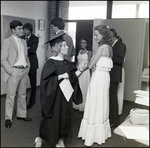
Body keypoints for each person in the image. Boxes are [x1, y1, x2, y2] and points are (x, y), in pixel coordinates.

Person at [34, 32, 87, 147]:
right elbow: (45, 82)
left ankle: (60, 139)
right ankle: (40, 137)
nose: (67, 47)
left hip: (65, 95)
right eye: (63, 45)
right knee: (51, 117)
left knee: (64, 117)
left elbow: (72, 78)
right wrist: (59, 76)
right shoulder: (50, 62)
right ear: (56, 47)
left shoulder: (67, 63)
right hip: (54, 96)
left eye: (66, 45)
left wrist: (81, 70)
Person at [78, 25, 113, 146]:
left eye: (97, 34)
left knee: (94, 100)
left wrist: (91, 64)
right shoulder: (109, 48)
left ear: (103, 35)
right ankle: (101, 130)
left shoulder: (101, 48)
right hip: (105, 78)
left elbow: (90, 65)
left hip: (98, 77)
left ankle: (92, 129)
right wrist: (93, 64)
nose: (95, 37)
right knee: (102, 101)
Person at [1, 20, 32, 128]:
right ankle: (8, 118)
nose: (22, 30)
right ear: (13, 30)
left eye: (22, 28)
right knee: (11, 95)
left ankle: (21, 115)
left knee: (23, 94)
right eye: (19, 29)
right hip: (14, 71)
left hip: (24, 70)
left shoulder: (24, 41)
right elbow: (3, 59)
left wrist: (28, 66)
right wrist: (11, 71)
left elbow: (26, 56)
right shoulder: (7, 41)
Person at [109, 28, 126, 127]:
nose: (109, 38)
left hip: (115, 75)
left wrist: (108, 57)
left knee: (113, 97)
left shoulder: (121, 45)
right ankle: (111, 119)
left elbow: (120, 60)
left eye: (110, 36)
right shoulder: (112, 45)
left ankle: (114, 121)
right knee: (110, 97)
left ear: (114, 36)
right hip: (110, 74)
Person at [22, 23, 39, 108]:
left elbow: (33, 50)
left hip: (32, 64)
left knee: (33, 84)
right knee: (23, 84)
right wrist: (27, 48)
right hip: (23, 64)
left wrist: (24, 49)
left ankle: (32, 101)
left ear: (30, 30)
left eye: (26, 29)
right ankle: (23, 101)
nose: (24, 31)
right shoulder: (21, 38)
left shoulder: (35, 38)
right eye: (23, 29)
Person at [73, 37, 92, 111]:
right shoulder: (79, 51)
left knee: (84, 87)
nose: (82, 44)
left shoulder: (89, 52)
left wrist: (82, 70)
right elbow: (78, 62)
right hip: (78, 71)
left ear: (87, 44)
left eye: (84, 43)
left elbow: (90, 64)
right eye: (81, 42)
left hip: (85, 72)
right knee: (78, 87)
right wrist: (76, 70)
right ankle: (77, 104)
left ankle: (84, 105)